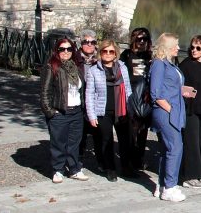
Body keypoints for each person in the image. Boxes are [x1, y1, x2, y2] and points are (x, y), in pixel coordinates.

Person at [39, 36, 89, 184]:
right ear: (57, 51)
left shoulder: (76, 67)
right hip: (60, 111)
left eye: (69, 49)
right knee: (58, 143)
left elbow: (81, 89)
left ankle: (74, 169)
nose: (66, 52)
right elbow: (44, 92)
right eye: (62, 49)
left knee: (74, 142)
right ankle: (58, 170)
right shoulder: (51, 67)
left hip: (76, 111)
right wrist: (50, 111)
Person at [84, 39, 133, 181]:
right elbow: (89, 94)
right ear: (100, 53)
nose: (108, 54)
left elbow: (128, 89)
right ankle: (110, 168)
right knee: (107, 140)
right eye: (105, 51)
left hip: (121, 109)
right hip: (103, 111)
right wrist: (91, 115)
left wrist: (131, 109)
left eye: (111, 51)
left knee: (125, 140)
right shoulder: (94, 70)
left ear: (115, 53)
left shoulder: (122, 68)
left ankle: (126, 167)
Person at [149, 33, 186, 202]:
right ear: (167, 47)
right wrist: (170, 109)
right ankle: (170, 187)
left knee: (166, 149)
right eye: (175, 45)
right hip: (166, 112)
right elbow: (155, 93)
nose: (178, 48)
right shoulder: (158, 64)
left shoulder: (169, 64)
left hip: (173, 110)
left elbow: (171, 86)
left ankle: (163, 184)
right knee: (175, 147)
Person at [178, 35, 201, 189]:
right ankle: (189, 175)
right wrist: (186, 92)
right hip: (190, 109)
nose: (194, 50)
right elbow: (179, 84)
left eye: (198, 48)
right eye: (192, 47)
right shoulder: (185, 64)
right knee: (191, 142)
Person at [120, 27, 153, 171]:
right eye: (139, 39)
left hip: (145, 98)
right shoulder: (126, 55)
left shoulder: (149, 56)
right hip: (131, 97)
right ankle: (129, 162)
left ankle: (139, 160)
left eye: (145, 39)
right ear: (133, 40)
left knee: (143, 131)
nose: (142, 42)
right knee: (131, 131)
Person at [76, 30, 101, 170]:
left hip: (96, 103)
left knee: (98, 134)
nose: (90, 45)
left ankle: (101, 163)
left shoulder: (100, 60)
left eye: (93, 42)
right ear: (81, 44)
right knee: (80, 134)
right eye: (86, 42)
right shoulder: (75, 59)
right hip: (80, 102)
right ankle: (77, 162)